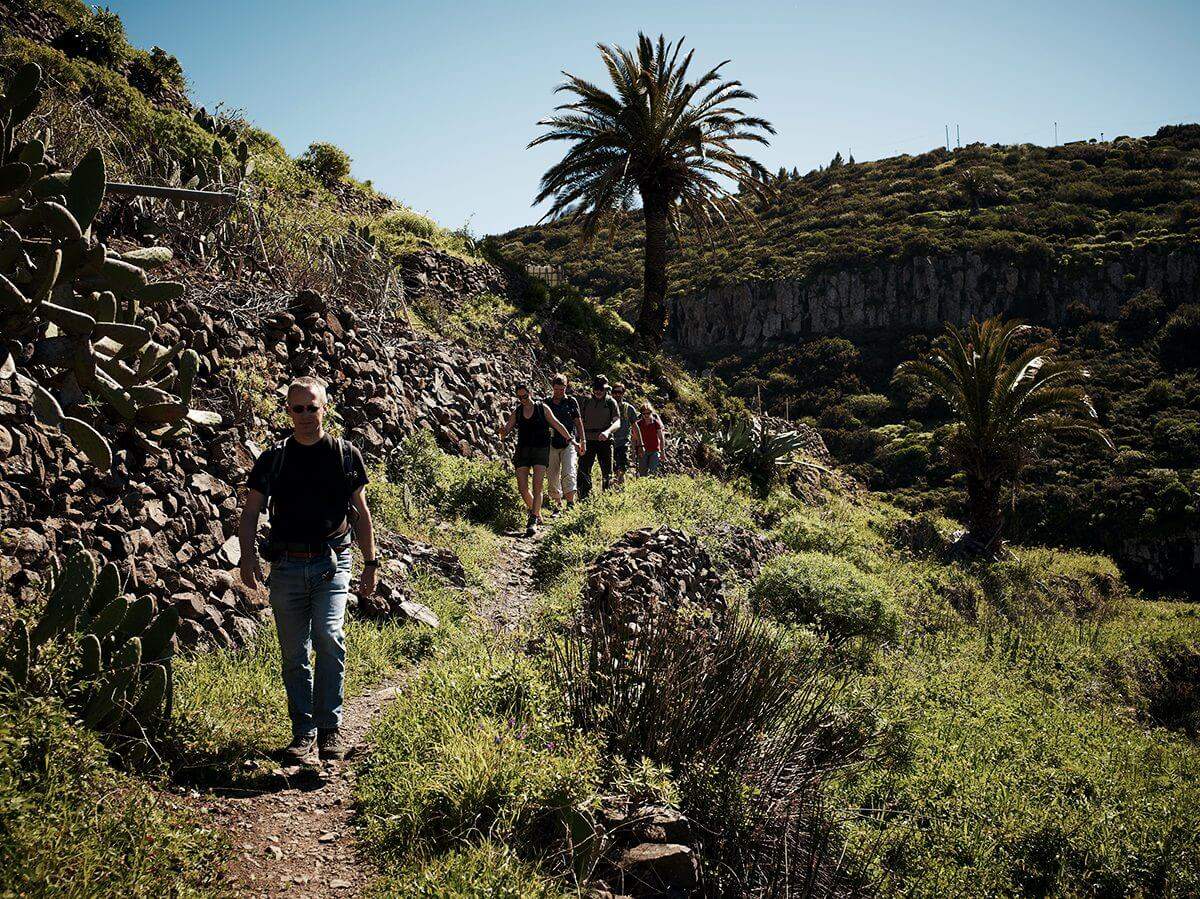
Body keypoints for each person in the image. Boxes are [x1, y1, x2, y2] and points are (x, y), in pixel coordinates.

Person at [238, 376, 376, 764]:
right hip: (285, 565)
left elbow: (361, 513)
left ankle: (330, 729)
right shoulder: (273, 458)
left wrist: (371, 563)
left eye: (311, 407)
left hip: (333, 561)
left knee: (329, 637)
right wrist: (247, 557)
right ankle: (303, 733)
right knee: (293, 653)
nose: (304, 416)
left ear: (324, 408)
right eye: (297, 408)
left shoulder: (345, 454)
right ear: (288, 411)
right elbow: (251, 512)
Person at [499, 382, 579, 536]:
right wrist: (502, 431)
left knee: (537, 487)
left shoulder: (542, 408)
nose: (523, 399)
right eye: (520, 397)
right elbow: (506, 431)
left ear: (530, 393)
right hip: (523, 450)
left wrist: (571, 440)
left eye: (525, 396)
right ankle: (537, 511)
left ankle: (533, 519)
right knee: (522, 488)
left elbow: (557, 424)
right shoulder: (518, 411)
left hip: (541, 450)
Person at [544, 373, 585, 512]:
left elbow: (578, 423)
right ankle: (557, 505)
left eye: (562, 389)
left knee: (569, 471)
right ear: (552, 387)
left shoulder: (571, 401)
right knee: (552, 475)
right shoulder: (546, 403)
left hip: (570, 443)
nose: (559, 392)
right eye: (557, 389)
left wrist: (583, 441)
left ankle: (570, 503)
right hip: (551, 443)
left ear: (566, 387)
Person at [577, 375, 620, 500]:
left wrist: (607, 432)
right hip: (588, 440)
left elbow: (617, 422)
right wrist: (579, 439)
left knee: (607, 472)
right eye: (596, 389)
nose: (599, 392)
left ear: (606, 389)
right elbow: (579, 421)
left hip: (605, 441)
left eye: (601, 389)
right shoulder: (586, 401)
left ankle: (606, 500)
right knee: (583, 470)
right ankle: (584, 498)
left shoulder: (611, 402)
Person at [610, 382, 639, 488]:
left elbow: (635, 427)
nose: (617, 394)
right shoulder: (607, 406)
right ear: (611, 393)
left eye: (620, 392)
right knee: (611, 470)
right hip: (610, 443)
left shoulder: (628, 409)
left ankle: (621, 491)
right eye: (615, 392)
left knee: (621, 469)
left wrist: (640, 445)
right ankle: (612, 491)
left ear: (623, 393)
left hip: (623, 443)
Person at [632, 401, 667, 476]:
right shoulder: (638, 424)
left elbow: (661, 438)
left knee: (652, 472)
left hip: (654, 451)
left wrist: (662, 452)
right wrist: (633, 452)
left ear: (651, 412)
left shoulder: (656, 423)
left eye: (648, 413)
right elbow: (634, 439)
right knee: (642, 473)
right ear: (641, 414)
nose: (646, 415)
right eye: (644, 413)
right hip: (642, 451)